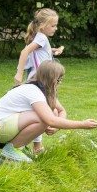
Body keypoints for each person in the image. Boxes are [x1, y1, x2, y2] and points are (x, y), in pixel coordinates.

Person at [0, 60, 97, 163]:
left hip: (6, 127)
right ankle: (11, 149)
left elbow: (61, 110)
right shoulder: (33, 91)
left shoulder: (43, 90)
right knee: (45, 118)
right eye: (59, 79)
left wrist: (57, 127)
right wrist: (82, 124)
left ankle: (18, 147)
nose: (60, 82)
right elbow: (49, 120)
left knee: (53, 112)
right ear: (51, 78)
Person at [15, 8, 65, 155]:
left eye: (56, 25)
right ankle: (37, 146)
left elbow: (40, 53)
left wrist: (54, 51)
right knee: (47, 110)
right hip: (40, 80)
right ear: (43, 25)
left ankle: (33, 144)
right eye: (53, 25)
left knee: (44, 110)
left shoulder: (40, 38)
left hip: (41, 79)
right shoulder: (41, 38)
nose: (55, 28)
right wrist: (18, 74)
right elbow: (24, 52)